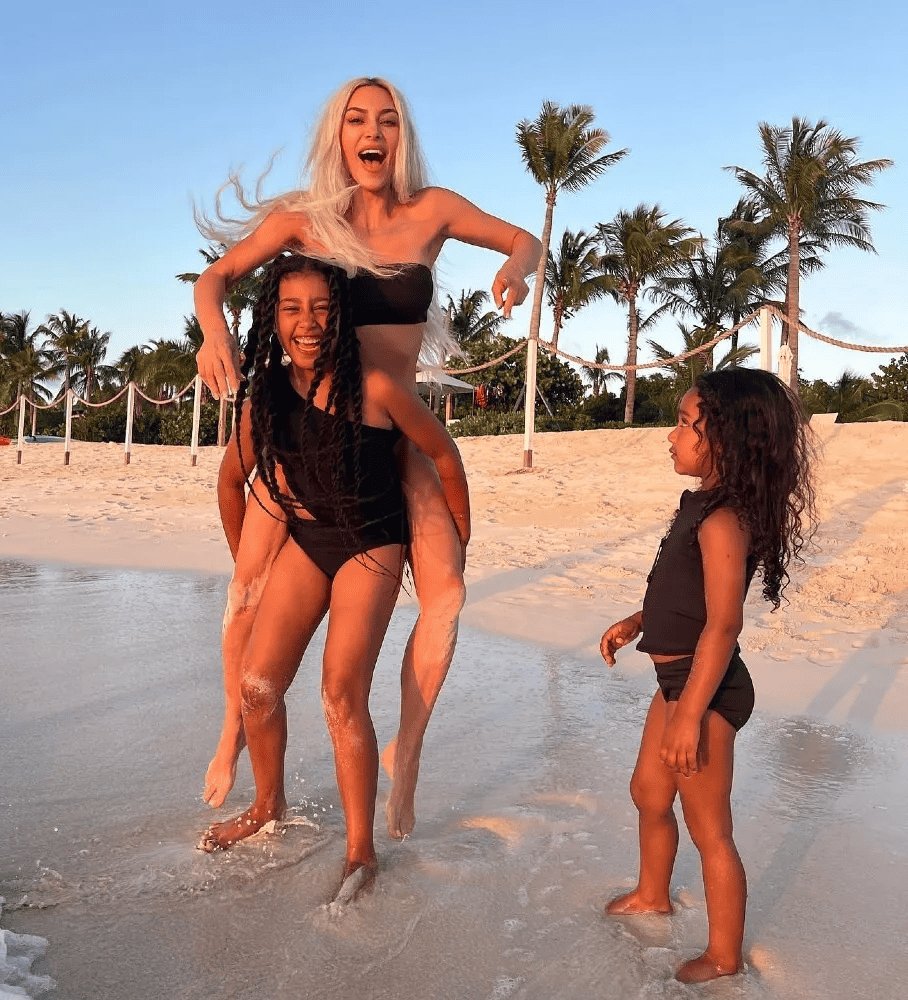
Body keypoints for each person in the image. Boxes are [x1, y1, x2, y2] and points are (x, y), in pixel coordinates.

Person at [194, 76, 541, 838]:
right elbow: (216, 278)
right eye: (357, 120)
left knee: (446, 596)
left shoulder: (433, 209)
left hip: (392, 427)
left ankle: (405, 752)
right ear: (339, 135)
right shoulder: (306, 221)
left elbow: (525, 239)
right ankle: (232, 740)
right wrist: (213, 330)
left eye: (387, 120)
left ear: (401, 136)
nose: (372, 132)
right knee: (245, 591)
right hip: (312, 435)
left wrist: (517, 269)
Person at [199, 254, 469, 898]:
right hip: (310, 540)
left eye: (321, 308)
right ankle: (267, 804)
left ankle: (359, 851)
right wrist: (251, 570)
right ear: (273, 319)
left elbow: (443, 453)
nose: (308, 323)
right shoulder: (265, 396)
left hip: (372, 545)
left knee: (340, 691)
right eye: (292, 309)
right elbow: (231, 481)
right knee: (257, 686)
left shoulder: (375, 387)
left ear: (340, 316)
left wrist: (459, 538)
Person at [599, 369, 816, 983]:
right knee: (648, 792)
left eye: (685, 425)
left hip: (707, 688)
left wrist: (689, 717)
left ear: (728, 442)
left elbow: (722, 625)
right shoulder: (696, 504)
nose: (671, 436)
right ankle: (652, 894)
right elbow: (681, 595)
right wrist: (639, 621)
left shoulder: (723, 521)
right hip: (676, 680)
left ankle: (724, 956)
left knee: (710, 829)